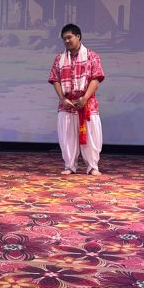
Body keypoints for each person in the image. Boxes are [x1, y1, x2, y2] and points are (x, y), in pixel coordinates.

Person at [48, 23, 104, 176]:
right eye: (64, 39)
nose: (66, 41)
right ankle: (70, 165)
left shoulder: (92, 56)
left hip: (87, 104)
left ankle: (92, 166)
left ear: (78, 36)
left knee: (91, 137)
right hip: (67, 104)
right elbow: (55, 80)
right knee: (67, 137)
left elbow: (96, 78)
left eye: (69, 37)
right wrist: (62, 99)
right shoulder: (59, 59)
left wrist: (85, 98)